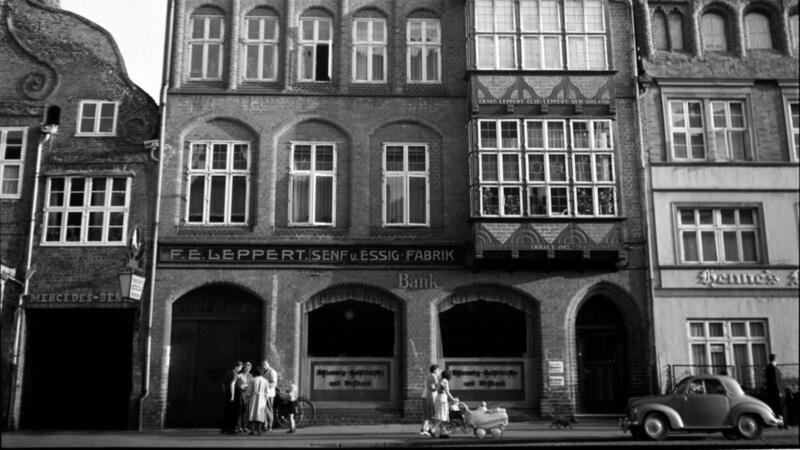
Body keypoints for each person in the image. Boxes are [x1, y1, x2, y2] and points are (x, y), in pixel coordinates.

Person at [430, 370, 458, 439]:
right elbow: (447, 392)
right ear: (448, 375)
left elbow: (436, 389)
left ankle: (442, 433)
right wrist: (453, 399)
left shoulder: (441, 380)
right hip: (442, 399)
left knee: (443, 417)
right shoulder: (445, 381)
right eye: (450, 375)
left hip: (440, 398)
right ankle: (432, 429)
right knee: (441, 416)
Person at [765, 354, 789, 429]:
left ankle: (780, 424)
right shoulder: (773, 368)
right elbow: (776, 381)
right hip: (777, 392)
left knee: (777, 409)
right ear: (775, 359)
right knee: (782, 408)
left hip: (771, 392)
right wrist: (779, 392)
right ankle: (783, 424)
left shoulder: (768, 368)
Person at [221, 361, 242, 435]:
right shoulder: (234, 373)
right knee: (233, 412)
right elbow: (232, 384)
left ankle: (224, 429)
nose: (240, 369)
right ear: (237, 367)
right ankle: (231, 429)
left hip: (227, 393)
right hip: (233, 394)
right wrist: (232, 395)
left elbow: (223, 384)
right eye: (240, 367)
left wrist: (225, 393)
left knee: (227, 411)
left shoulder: (228, 372)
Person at [419, 364, 440, 436]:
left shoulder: (428, 376)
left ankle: (424, 429)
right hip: (429, 396)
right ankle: (425, 429)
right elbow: (435, 388)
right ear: (434, 370)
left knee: (426, 413)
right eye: (438, 370)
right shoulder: (433, 376)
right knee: (429, 413)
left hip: (425, 395)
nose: (439, 372)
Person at [247, 366, 269, 435]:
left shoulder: (252, 380)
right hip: (262, 398)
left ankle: (253, 430)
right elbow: (267, 392)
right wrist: (265, 399)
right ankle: (259, 430)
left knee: (253, 413)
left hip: (253, 397)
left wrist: (247, 398)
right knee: (260, 414)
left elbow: (248, 391)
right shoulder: (265, 381)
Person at [236, 362, 253, 434]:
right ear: (244, 367)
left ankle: (245, 426)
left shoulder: (251, 376)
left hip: (248, 395)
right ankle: (239, 426)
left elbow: (252, 385)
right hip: (241, 395)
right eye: (246, 367)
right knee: (240, 411)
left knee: (246, 411)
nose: (247, 369)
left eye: (249, 368)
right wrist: (240, 387)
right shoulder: (239, 375)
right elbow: (236, 385)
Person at [262, 360, 278, 432]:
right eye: (263, 365)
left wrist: (265, 386)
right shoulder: (264, 371)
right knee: (264, 410)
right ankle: (265, 425)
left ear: (269, 364)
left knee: (269, 409)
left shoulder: (272, 371)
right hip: (264, 394)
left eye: (265, 364)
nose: (263, 366)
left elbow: (274, 383)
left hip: (269, 394)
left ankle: (270, 426)